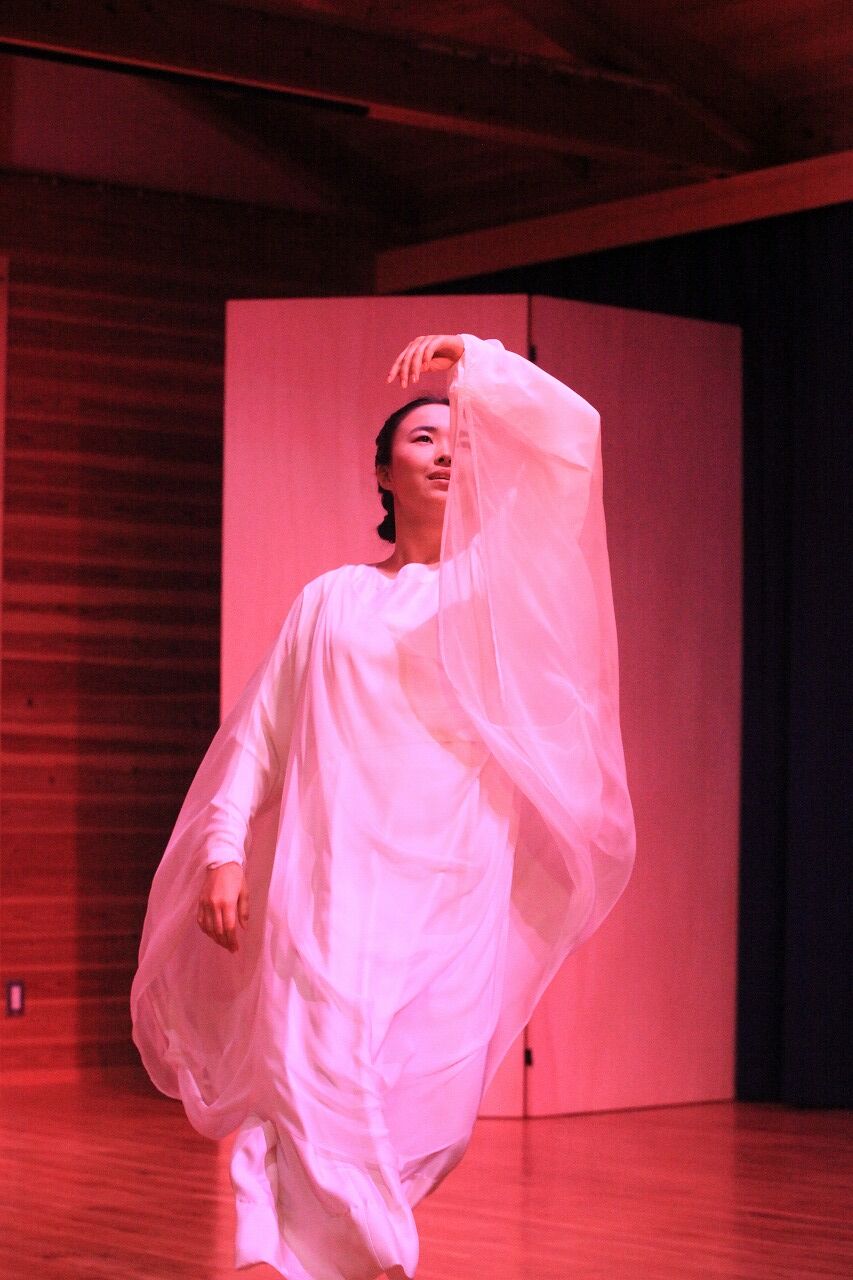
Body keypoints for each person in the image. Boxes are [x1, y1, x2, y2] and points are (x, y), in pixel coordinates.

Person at [130, 332, 636, 1280]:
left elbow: (573, 446)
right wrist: (225, 849)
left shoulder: (496, 589)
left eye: (462, 441)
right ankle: (336, 1248)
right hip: (329, 883)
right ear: (381, 472)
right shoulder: (331, 601)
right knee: (320, 1078)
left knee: (430, 1123)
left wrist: (475, 363)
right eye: (423, 438)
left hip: (450, 892)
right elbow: (261, 736)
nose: (445, 452)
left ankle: (293, 1207)